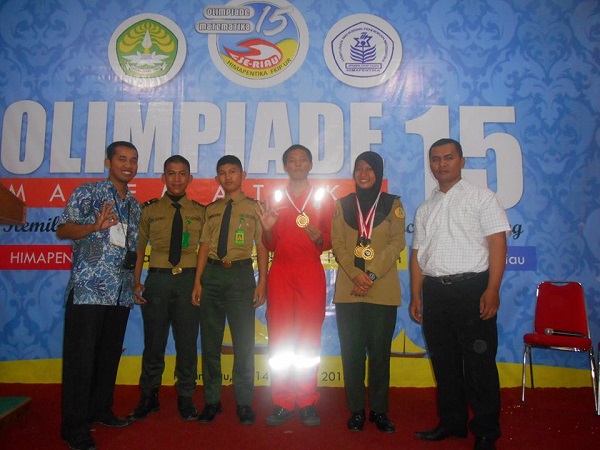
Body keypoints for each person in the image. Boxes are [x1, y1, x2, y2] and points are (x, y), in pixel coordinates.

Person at [409, 138, 510, 450]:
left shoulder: (482, 198)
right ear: (430, 165)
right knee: (444, 363)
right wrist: (416, 295)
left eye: (448, 157)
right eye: (436, 159)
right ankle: (452, 423)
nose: (442, 164)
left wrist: (492, 288)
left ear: (462, 161)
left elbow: (497, 243)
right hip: (434, 292)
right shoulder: (425, 208)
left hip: (472, 289)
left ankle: (486, 431)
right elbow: (417, 255)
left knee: (479, 363)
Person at [57, 141, 141, 450]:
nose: (128, 165)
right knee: (81, 362)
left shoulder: (134, 206)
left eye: (133, 160)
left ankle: (101, 410)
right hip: (89, 291)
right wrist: (94, 226)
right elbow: (63, 229)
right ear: (108, 162)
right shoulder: (88, 192)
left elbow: (133, 249)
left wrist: (135, 283)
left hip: (120, 293)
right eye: (121, 159)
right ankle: (75, 428)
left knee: (108, 357)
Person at [255, 144, 335, 427]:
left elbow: (330, 240)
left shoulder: (324, 199)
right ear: (285, 166)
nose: (297, 164)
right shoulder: (274, 199)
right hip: (282, 272)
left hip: (310, 271)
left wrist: (318, 238)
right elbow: (270, 244)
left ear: (310, 165)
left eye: (302, 160)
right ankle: (283, 400)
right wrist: (267, 229)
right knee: (280, 337)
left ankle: (308, 399)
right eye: (292, 160)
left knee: (308, 338)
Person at [331, 151, 406, 433]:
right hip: (349, 291)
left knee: (379, 354)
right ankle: (356, 411)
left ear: (379, 173)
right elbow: (337, 244)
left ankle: (379, 410)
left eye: (369, 169)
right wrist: (356, 274)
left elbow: (397, 243)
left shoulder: (392, 204)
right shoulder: (342, 205)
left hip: (382, 290)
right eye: (359, 169)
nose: (363, 174)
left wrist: (371, 274)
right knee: (351, 354)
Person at [191, 155, 267, 425]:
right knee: (210, 343)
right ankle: (212, 401)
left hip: (240, 276)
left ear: (242, 175)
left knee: (244, 343)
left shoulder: (256, 208)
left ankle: (244, 402)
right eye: (222, 173)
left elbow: (262, 246)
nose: (228, 177)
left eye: (233, 171)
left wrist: (262, 282)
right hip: (212, 276)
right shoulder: (211, 209)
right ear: (217, 178)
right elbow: (203, 246)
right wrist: (198, 281)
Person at [128, 155, 205, 422]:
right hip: (158, 281)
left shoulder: (200, 212)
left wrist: (199, 283)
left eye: (182, 174)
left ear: (190, 178)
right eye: (171, 173)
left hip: (188, 281)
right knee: (154, 342)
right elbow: (139, 249)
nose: (176, 179)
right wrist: (136, 281)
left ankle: (186, 395)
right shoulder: (148, 210)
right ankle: (149, 395)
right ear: (163, 177)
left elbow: (205, 251)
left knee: (187, 343)